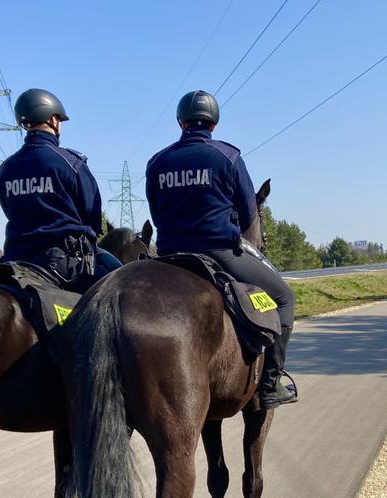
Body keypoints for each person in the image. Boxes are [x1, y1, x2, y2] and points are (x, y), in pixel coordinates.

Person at [145, 90, 297, 410]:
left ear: (179, 122)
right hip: (219, 253)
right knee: (284, 298)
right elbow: (247, 213)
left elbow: (156, 212)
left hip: (169, 257)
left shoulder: (157, 162)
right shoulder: (227, 157)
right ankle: (269, 385)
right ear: (213, 124)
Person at [0, 88, 121, 293]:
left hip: (15, 257)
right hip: (64, 264)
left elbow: (8, 209)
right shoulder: (71, 163)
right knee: (123, 286)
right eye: (59, 120)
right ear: (53, 119)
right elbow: (92, 215)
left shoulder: (6, 168)